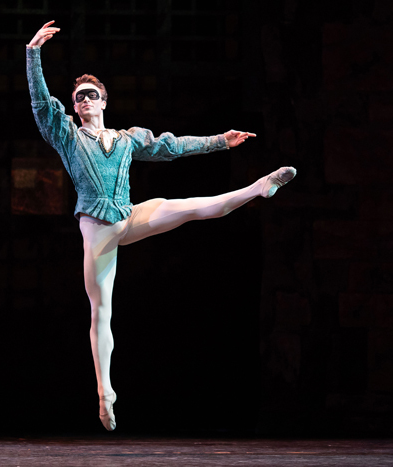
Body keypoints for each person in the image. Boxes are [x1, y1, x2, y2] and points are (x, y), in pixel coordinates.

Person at [26, 21, 296, 431]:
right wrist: (33, 53)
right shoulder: (67, 135)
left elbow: (171, 146)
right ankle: (105, 393)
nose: (83, 100)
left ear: (103, 102)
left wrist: (219, 141)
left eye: (90, 95)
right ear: (75, 106)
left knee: (186, 206)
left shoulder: (127, 138)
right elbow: (43, 105)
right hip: (97, 229)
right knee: (102, 311)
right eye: (78, 97)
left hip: (128, 215)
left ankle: (259, 188)